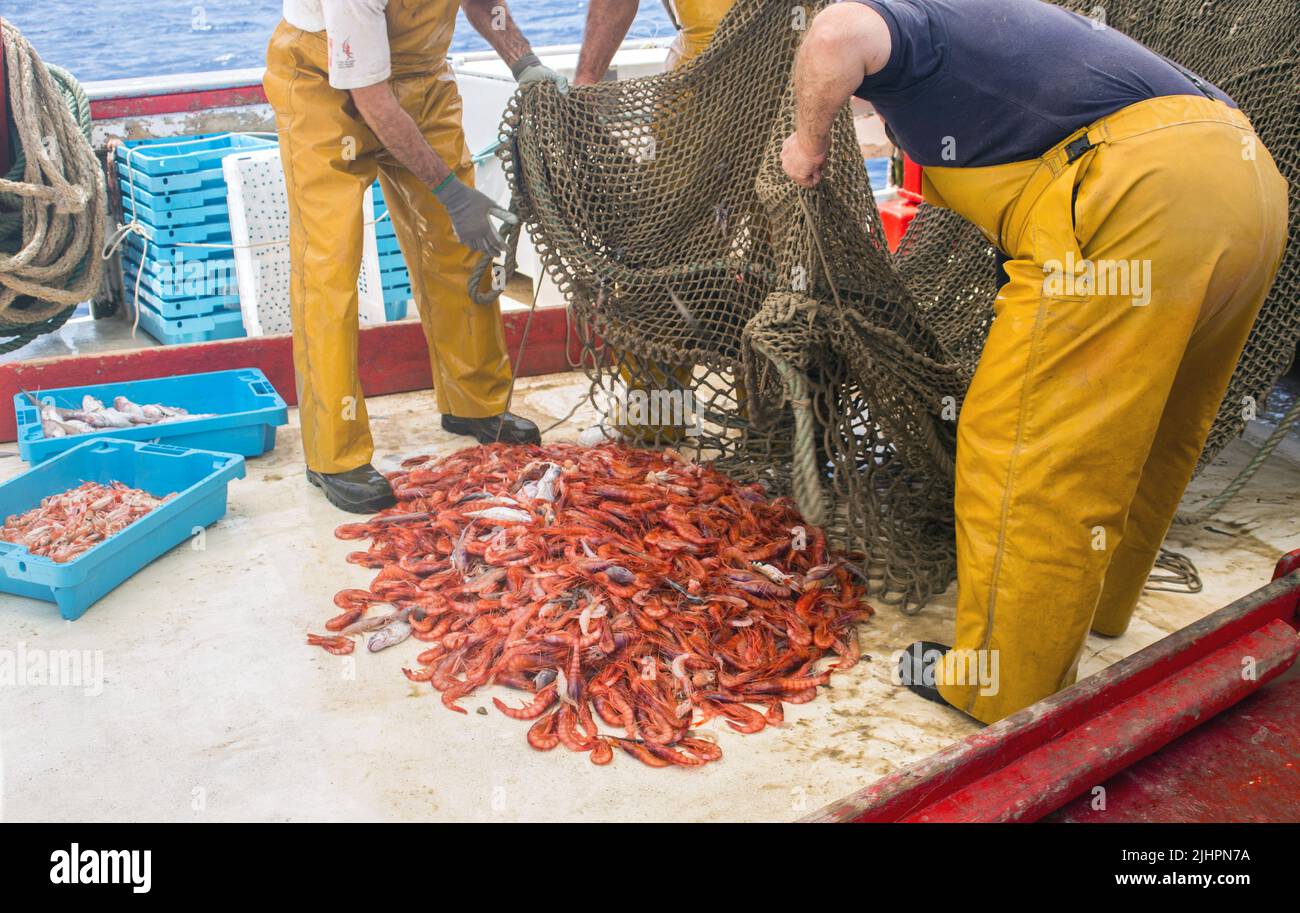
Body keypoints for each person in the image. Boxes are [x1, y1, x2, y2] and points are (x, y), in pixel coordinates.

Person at [781, 0, 1288, 723]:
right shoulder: (995, 23)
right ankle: (1104, 605)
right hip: (1247, 189)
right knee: (1157, 421)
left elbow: (835, 34)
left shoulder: (906, 19)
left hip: (1133, 195)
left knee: (1020, 449)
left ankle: (1002, 686)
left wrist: (807, 144)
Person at [264, 1, 566, 513]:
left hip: (423, 83)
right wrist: (450, 192)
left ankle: (476, 403)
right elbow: (372, 100)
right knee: (329, 266)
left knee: (458, 247)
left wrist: (523, 60)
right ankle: (332, 453)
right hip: (325, 88)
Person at [573, 1, 738, 443]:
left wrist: (587, 78)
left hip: (764, 85)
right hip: (786, 85)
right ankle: (788, 434)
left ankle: (656, 422)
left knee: (668, 259)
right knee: (777, 259)